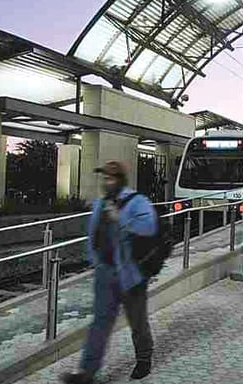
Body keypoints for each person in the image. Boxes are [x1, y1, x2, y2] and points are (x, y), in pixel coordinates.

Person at [61, 161, 158, 384]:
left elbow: (149, 227)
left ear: (120, 180)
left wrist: (120, 219)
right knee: (100, 323)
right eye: (104, 178)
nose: (106, 182)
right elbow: (93, 234)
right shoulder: (100, 203)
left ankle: (144, 358)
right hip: (105, 273)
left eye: (110, 178)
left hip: (131, 275)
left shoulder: (137, 201)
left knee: (137, 321)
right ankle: (87, 373)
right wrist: (96, 261)